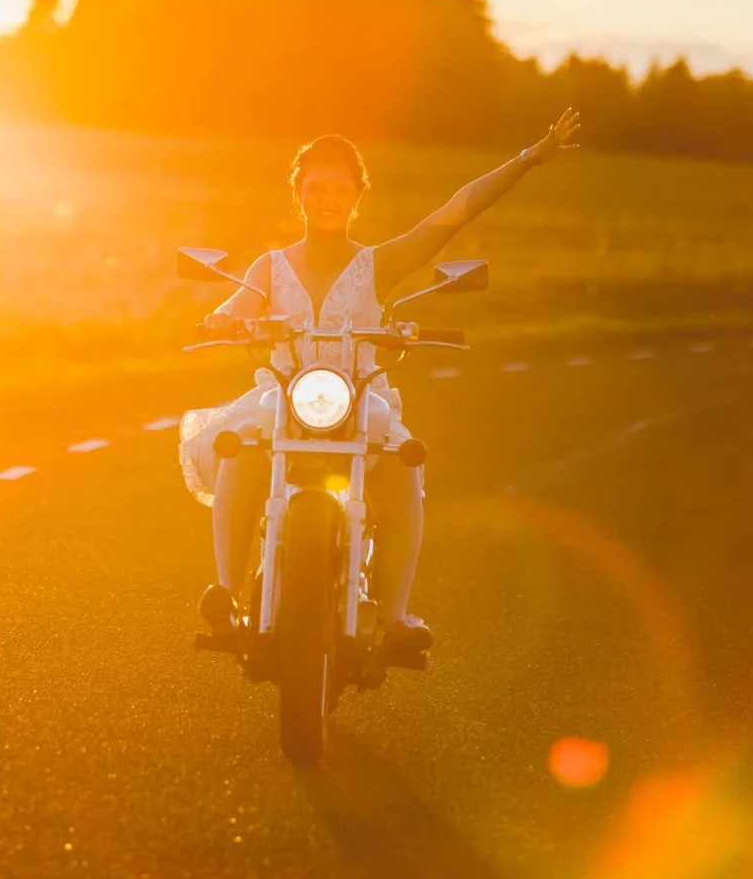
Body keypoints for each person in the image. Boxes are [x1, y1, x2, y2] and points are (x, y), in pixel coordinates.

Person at [178, 109, 583, 657]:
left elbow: (453, 213)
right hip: (286, 396)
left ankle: (395, 615)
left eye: (339, 189)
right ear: (298, 193)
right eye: (315, 187)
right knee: (241, 448)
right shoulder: (269, 267)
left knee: (400, 458)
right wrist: (223, 318)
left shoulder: (378, 265)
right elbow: (238, 302)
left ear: (356, 196)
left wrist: (530, 158)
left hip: (359, 399)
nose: (326, 198)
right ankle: (226, 596)